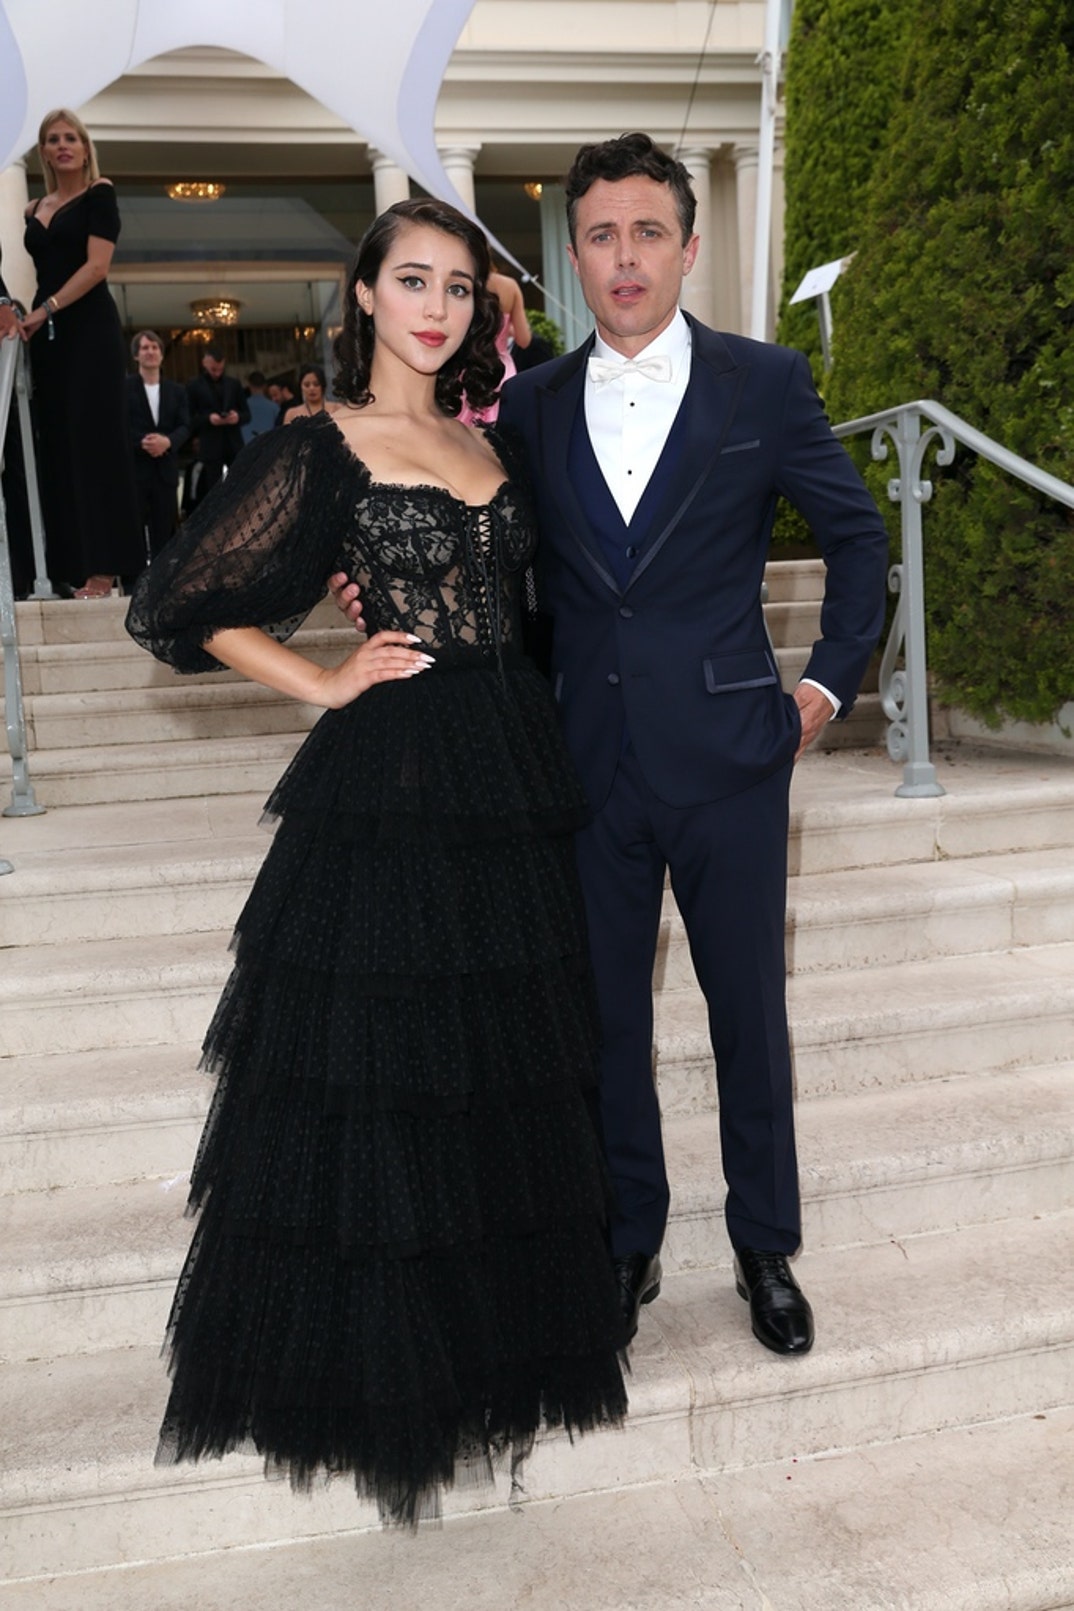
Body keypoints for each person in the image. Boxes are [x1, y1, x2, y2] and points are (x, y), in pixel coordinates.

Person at [333, 135, 889, 1359]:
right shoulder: (526, 409)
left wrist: (830, 689)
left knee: (749, 1013)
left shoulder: (767, 383)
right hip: (579, 764)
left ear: (688, 249)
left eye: (648, 233)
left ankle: (764, 1245)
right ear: (571, 255)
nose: (625, 257)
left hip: (735, 756)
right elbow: (494, 568)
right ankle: (626, 1234)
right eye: (600, 235)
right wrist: (385, 596)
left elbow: (860, 540)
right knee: (601, 1025)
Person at [124, 196, 627, 1526]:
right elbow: (175, 603)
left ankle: (488, 1346)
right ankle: (388, 1372)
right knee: (391, 1079)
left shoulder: (490, 447)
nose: (435, 305)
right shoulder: (320, 446)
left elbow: (527, 614)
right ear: (362, 295)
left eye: (459, 286)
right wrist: (320, 678)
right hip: (396, 777)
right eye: (411, 278)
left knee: (493, 1077)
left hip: (508, 774)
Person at [21, 108, 142, 597]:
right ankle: (69, 566)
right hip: (45, 336)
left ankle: (106, 568)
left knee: (97, 446)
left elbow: (97, 268)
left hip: (87, 329)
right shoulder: (31, 209)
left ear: (86, 148)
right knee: (58, 447)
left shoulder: (100, 193)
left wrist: (46, 308)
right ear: (44, 152)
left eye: (72, 137)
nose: (63, 145)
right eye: (53, 139)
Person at [126, 330, 190, 563]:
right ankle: (134, 584)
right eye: (145, 348)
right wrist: (140, 442)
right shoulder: (124, 388)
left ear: (162, 355)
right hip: (136, 470)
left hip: (165, 471)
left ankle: (162, 584)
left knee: (164, 529)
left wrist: (168, 442)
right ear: (136, 356)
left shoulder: (177, 391)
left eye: (155, 348)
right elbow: (119, 424)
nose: (150, 352)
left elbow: (185, 426)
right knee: (133, 529)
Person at [459, 266, 532, 425]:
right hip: (502, 370)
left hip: (469, 367)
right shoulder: (510, 286)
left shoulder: (464, 283)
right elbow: (524, 340)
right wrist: (505, 328)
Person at [185, 345, 249, 507]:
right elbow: (188, 418)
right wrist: (208, 419)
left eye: (220, 369)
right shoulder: (194, 386)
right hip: (210, 444)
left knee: (240, 486)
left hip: (233, 442)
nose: (217, 373)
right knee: (213, 490)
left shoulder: (233, 384)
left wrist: (236, 417)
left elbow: (247, 414)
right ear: (204, 363)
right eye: (213, 369)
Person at [241, 370, 278, 443]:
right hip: (269, 447)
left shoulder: (242, 406)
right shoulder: (274, 407)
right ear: (264, 386)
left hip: (246, 448)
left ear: (249, 385)